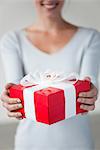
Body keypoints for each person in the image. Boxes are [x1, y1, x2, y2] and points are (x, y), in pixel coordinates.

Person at [0, 0, 100, 150]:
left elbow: (89, 81)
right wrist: (10, 97)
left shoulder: (90, 37)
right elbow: (15, 86)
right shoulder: (12, 40)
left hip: (77, 142)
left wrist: (92, 91)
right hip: (29, 142)